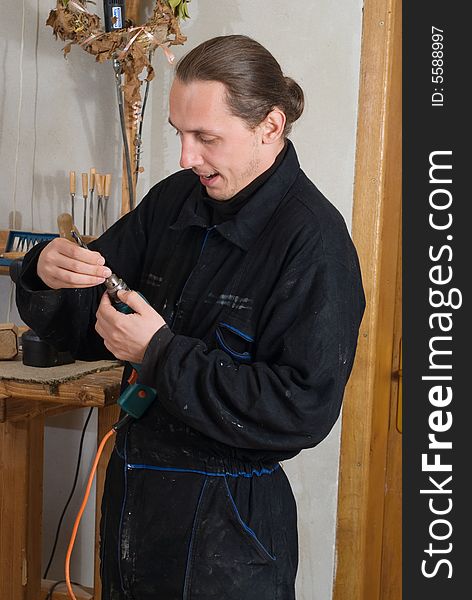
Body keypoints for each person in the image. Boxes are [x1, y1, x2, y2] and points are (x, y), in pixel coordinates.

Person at [16, 35, 365, 600]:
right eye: (180, 133)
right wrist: (45, 273)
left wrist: (157, 353)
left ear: (270, 127)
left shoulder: (314, 244)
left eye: (206, 138)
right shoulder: (175, 199)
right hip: (135, 501)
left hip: (230, 534)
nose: (185, 156)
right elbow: (87, 323)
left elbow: (300, 409)